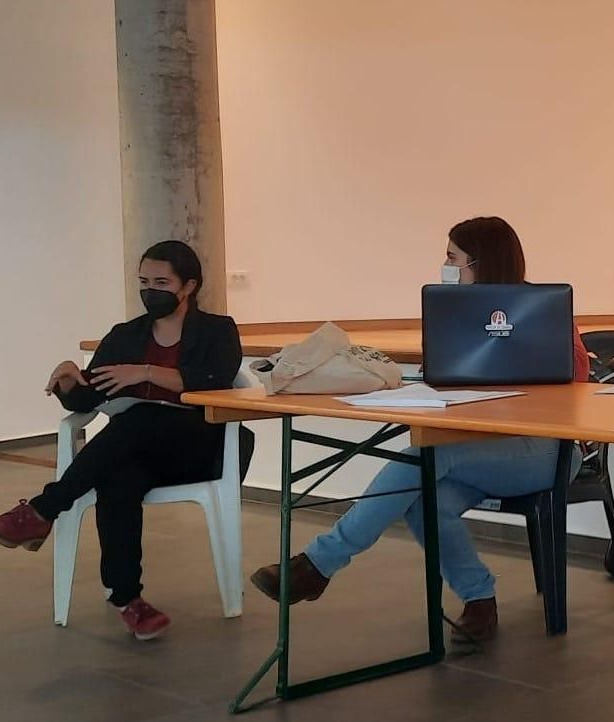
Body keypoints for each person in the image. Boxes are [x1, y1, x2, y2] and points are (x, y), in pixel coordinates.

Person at [248, 216, 588, 643]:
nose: (445, 266)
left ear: (481, 263)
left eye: (452, 258)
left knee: (426, 457)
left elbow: (578, 376)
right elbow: (442, 374)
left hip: (545, 451)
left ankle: (317, 565)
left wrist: (529, 352)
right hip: (479, 449)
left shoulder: (544, 310)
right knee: (422, 495)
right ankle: (479, 600)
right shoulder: (454, 315)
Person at [0, 240, 251, 640]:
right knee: (117, 479)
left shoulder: (217, 330)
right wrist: (70, 380)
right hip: (141, 449)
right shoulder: (126, 335)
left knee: (139, 416)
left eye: (161, 281)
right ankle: (128, 599)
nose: (149, 290)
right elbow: (90, 397)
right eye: (143, 281)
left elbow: (216, 381)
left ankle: (42, 510)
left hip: (203, 445)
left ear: (188, 286)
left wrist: (147, 373)